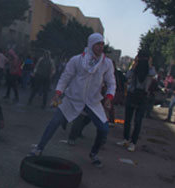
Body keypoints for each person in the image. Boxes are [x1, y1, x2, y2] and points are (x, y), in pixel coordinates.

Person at [29, 33, 116, 168]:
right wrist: (58, 93)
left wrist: (109, 97)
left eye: (102, 44)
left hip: (92, 102)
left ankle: (94, 154)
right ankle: (39, 148)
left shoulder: (107, 63)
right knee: (54, 122)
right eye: (98, 44)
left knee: (104, 129)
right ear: (91, 44)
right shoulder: (77, 60)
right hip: (73, 98)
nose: (100, 47)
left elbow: (111, 82)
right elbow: (65, 77)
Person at [117, 51, 155, 152]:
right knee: (127, 120)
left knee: (137, 121)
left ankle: (133, 142)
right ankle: (126, 139)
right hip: (132, 95)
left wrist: (149, 64)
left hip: (142, 97)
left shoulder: (149, 70)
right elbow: (127, 76)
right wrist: (134, 65)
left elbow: (152, 74)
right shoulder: (135, 69)